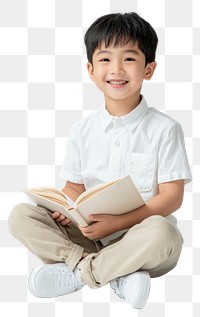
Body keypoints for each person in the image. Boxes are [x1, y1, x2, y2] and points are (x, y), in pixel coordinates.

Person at [9, 12, 192, 309]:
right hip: (89, 236)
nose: (117, 69)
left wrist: (119, 223)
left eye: (129, 59)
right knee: (21, 216)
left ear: (149, 69)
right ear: (91, 70)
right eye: (105, 59)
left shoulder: (165, 128)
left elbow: (171, 198)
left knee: (164, 232)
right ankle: (114, 273)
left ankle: (81, 274)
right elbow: (73, 187)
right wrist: (65, 209)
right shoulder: (81, 131)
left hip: (143, 241)